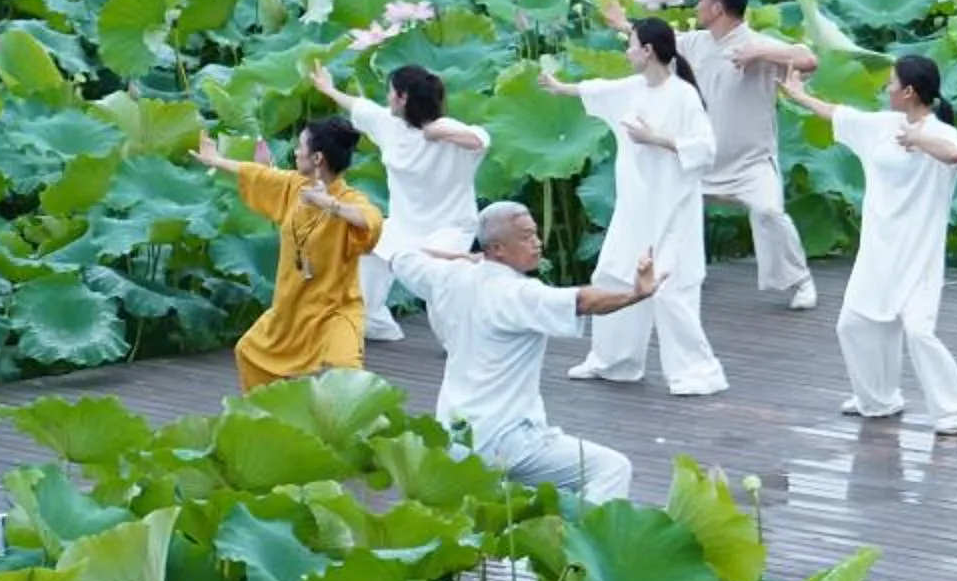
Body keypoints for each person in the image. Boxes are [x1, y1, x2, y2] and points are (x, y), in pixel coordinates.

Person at [388, 204, 652, 502]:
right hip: (507, 441)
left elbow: (403, 255)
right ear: (498, 248)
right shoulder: (518, 294)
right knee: (611, 469)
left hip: (456, 437)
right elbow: (582, 301)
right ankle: (579, 544)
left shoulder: (447, 278)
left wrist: (464, 258)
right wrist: (636, 294)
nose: (537, 243)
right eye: (527, 237)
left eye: (536, 234)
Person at [779, 57, 957, 434]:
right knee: (853, 325)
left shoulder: (942, 133)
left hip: (918, 253)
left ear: (908, 92)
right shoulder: (882, 126)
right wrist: (798, 95)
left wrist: (918, 139)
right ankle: (878, 398)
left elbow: (953, 154)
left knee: (918, 332)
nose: (886, 88)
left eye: (891, 83)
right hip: (879, 251)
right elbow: (838, 114)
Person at [537, 17, 724, 394]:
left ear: (648, 51)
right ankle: (614, 360)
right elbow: (598, 89)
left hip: (672, 211)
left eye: (631, 44)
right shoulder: (633, 88)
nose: (627, 51)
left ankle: (696, 372)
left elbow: (706, 149)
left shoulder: (683, 95)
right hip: (634, 209)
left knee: (673, 289)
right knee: (612, 276)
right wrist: (560, 88)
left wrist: (656, 138)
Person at [626, 0, 820, 311]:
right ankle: (659, 277)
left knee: (770, 211)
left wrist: (761, 52)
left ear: (717, 7)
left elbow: (808, 59)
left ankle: (799, 280)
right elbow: (655, 42)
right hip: (702, 159)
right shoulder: (697, 43)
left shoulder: (758, 44)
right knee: (664, 210)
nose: (697, 5)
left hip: (750, 161)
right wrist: (622, 24)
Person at [190, 119, 382, 393]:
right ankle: (271, 418)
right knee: (249, 353)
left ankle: (358, 431)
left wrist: (328, 203)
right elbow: (256, 173)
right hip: (292, 309)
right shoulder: (294, 186)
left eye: (300, 146)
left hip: (334, 311)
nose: (294, 152)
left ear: (317, 158)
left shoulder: (351, 198)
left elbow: (370, 221)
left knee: (347, 375)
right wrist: (216, 160)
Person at [309, 60, 490, 345]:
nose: (386, 97)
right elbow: (358, 106)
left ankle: (462, 339)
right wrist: (328, 89)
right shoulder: (387, 124)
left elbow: (479, 141)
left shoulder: (448, 129)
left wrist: (436, 133)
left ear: (403, 97)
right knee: (367, 253)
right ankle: (377, 325)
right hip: (403, 225)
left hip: (450, 228)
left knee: (435, 279)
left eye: (390, 91)